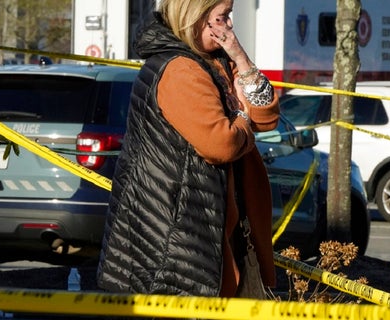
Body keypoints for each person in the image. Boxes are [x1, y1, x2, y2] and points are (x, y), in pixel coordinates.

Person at [96, 0, 280, 297]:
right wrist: (243, 121)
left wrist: (242, 60)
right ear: (195, 17)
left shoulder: (216, 62)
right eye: (223, 17)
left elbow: (267, 117)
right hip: (177, 236)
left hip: (205, 227)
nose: (230, 26)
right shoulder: (180, 69)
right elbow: (221, 143)